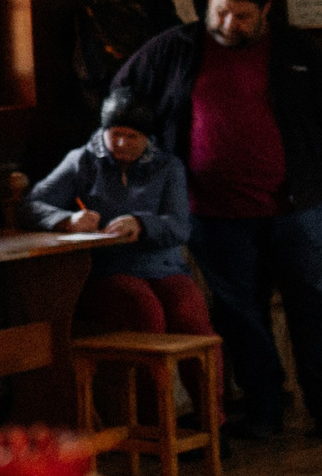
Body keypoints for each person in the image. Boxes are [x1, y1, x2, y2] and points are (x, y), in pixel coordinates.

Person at [112, 0, 322, 443]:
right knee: (240, 314)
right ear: (210, 0)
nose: (231, 25)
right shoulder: (175, 49)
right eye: (223, 12)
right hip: (212, 212)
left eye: (244, 16)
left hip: (296, 208)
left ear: (266, 11)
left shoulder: (299, 52)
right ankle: (263, 411)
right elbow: (122, 102)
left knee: (317, 308)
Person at [23, 88, 213, 338]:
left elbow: (180, 226)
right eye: (115, 134)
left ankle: (208, 378)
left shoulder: (168, 167)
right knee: (145, 311)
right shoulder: (83, 161)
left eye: (132, 136)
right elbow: (31, 204)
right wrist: (67, 220)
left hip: (163, 267)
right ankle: (149, 378)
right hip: (107, 268)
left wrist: (142, 224)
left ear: (147, 138)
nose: (122, 143)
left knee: (192, 317)